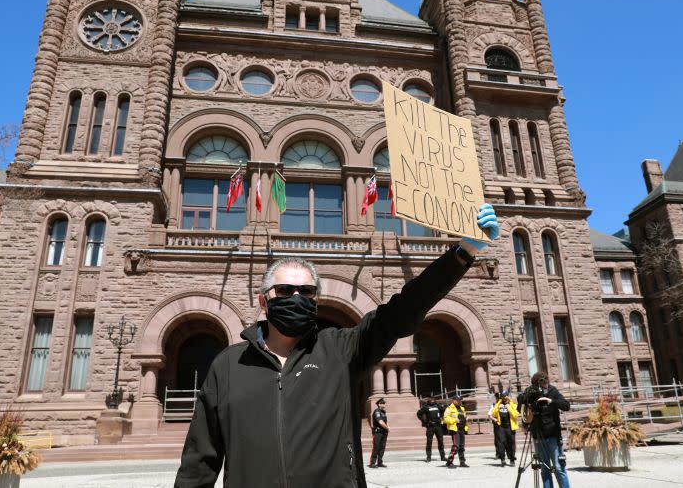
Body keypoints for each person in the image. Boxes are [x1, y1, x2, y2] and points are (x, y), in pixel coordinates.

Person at [173, 204, 500, 487]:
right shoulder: (229, 365)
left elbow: (404, 309)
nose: (297, 298)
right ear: (263, 301)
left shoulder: (342, 350)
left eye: (307, 292)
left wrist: (462, 253)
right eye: (285, 291)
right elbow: (198, 463)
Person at [525, 371, 571, 488]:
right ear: (536, 384)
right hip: (538, 436)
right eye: (541, 381)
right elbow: (525, 413)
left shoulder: (552, 391)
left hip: (553, 435)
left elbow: (566, 405)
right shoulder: (532, 393)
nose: (545, 383)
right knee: (544, 469)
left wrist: (552, 401)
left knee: (558, 467)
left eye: (546, 380)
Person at [490, 391, 518, 466]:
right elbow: (493, 414)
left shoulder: (513, 404)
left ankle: (512, 459)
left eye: (505, 396)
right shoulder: (498, 404)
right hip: (501, 427)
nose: (504, 398)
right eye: (503, 397)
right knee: (501, 443)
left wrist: (508, 407)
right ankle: (502, 459)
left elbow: (515, 415)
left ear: (508, 396)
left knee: (511, 443)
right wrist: (498, 407)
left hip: (510, 427)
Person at [443, 395, 469, 468]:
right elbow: (445, 419)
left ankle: (462, 462)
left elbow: (462, 417)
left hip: (462, 429)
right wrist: (454, 420)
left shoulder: (462, 408)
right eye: (458, 400)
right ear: (454, 400)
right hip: (455, 429)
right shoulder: (449, 409)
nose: (460, 401)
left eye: (460, 400)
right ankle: (449, 462)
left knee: (461, 446)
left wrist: (466, 419)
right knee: (455, 446)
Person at [417, 397, 445, 462]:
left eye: (433, 400)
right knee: (429, 442)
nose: (432, 401)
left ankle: (442, 456)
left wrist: (441, 417)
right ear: (428, 401)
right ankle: (428, 457)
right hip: (430, 426)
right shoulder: (425, 407)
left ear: (435, 400)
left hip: (438, 426)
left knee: (440, 441)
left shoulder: (438, 406)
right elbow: (419, 414)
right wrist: (424, 421)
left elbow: (444, 410)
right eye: (431, 400)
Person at [369, 398, 389, 468]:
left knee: (382, 448)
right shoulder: (377, 412)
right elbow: (380, 422)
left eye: (384, 403)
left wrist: (386, 430)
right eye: (382, 403)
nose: (384, 404)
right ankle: (372, 463)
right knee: (376, 448)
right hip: (378, 433)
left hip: (384, 432)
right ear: (379, 404)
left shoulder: (383, 412)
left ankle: (380, 462)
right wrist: (387, 428)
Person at [487, 392, 502, 459]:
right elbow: (489, 415)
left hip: (504, 424)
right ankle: (498, 453)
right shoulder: (493, 405)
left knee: (504, 439)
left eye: (499, 397)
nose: (498, 399)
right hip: (496, 424)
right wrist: (494, 419)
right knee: (497, 439)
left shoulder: (504, 405)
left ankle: (505, 453)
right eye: (497, 397)